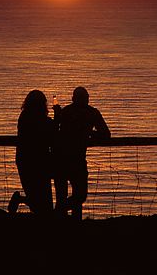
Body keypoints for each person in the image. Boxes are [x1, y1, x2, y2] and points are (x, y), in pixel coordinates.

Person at [54, 86, 110, 220]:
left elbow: (55, 131)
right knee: (79, 196)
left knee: (67, 195)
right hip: (75, 160)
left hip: (61, 158)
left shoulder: (66, 112)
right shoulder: (91, 113)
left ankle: (57, 217)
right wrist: (89, 134)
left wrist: (87, 133)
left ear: (73, 98)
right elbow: (105, 134)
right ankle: (65, 219)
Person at [9, 89, 58, 216]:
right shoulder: (41, 120)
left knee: (33, 193)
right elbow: (51, 132)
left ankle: (22, 200)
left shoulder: (24, 117)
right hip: (40, 162)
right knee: (43, 199)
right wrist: (57, 117)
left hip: (24, 160)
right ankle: (23, 201)